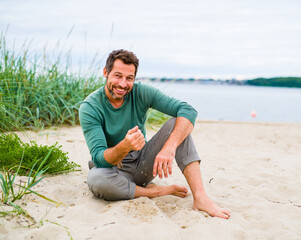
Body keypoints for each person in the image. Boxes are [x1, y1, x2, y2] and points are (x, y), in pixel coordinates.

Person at [79, 49, 231, 219]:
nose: (123, 84)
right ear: (106, 73)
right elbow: (99, 158)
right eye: (117, 76)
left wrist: (169, 148)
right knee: (96, 179)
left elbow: (187, 110)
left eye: (129, 78)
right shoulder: (90, 107)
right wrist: (124, 146)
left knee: (178, 123)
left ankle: (201, 198)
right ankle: (155, 192)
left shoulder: (141, 92)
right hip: (114, 170)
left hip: (143, 164)